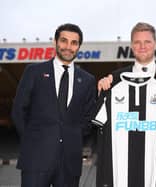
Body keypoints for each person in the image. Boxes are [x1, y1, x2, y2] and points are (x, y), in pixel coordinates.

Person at [94, 22, 156, 187]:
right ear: (131, 45)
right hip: (123, 167)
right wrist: (100, 90)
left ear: (155, 44)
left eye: (147, 42)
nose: (142, 46)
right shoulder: (115, 78)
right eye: (137, 42)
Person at [12, 23, 96, 187]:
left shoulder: (87, 80)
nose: (68, 47)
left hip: (69, 164)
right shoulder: (34, 72)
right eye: (64, 41)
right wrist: (34, 140)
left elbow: (88, 118)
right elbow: (18, 111)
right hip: (35, 160)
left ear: (79, 46)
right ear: (55, 42)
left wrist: (72, 136)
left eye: (74, 43)